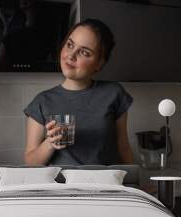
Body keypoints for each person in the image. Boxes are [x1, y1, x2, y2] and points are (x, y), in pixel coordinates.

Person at [23, 18, 134, 166]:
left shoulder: (114, 93)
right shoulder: (42, 101)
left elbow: (124, 148)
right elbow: (30, 163)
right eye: (70, 45)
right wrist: (49, 144)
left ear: (100, 63)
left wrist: (136, 184)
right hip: (61, 187)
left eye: (84, 52)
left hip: (106, 185)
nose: (71, 55)